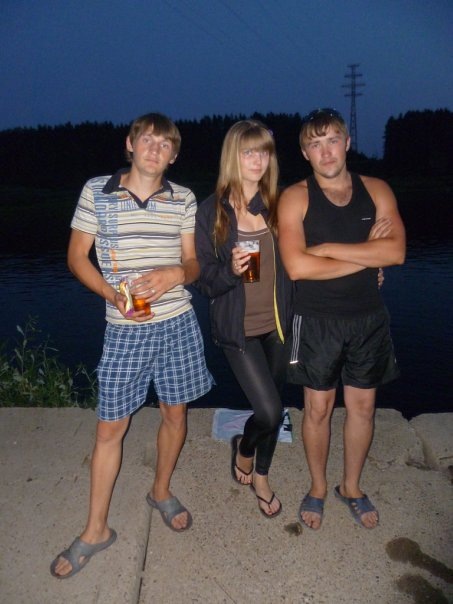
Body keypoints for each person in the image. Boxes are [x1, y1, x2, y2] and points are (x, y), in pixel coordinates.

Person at [50, 112, 214, 579]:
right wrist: (112, 295)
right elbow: (76, 258)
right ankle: (96, 529)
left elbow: (193, 263)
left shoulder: (183, 198)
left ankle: (160, 491)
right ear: (130, 143)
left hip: (178, 324)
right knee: (109, 429)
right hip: (124, 329)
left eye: (165, 145)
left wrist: (176, 274)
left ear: (174, 155)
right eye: (148, 140)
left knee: (175, 415)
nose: (155, 150)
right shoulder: (97, 191)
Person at [278, 108, 405, 530]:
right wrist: (366, 256)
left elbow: (395, 252)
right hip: (315, 319)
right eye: (315, 144)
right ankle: (317, 486)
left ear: (347, 142)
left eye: (332, 140)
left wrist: (328, 249)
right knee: (318, 408)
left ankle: (350, 487)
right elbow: (297, 267)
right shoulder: (295, 197)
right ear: (304, 153)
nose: (326, 151)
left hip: (368, 318)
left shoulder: (377, 190)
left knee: (363, 407)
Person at [195, 120, 293, 518]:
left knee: (277, 407)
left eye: (264, 151)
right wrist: (230, 271)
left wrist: (365, 269)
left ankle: (262, 476)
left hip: (279, 325)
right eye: (248, 151)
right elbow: (204, 280)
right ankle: (244, 446)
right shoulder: (211, 211)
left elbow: (311, 252)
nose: (257, 160)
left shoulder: (280, 205)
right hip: (238, 330)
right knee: (268, 412)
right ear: (232, 157)